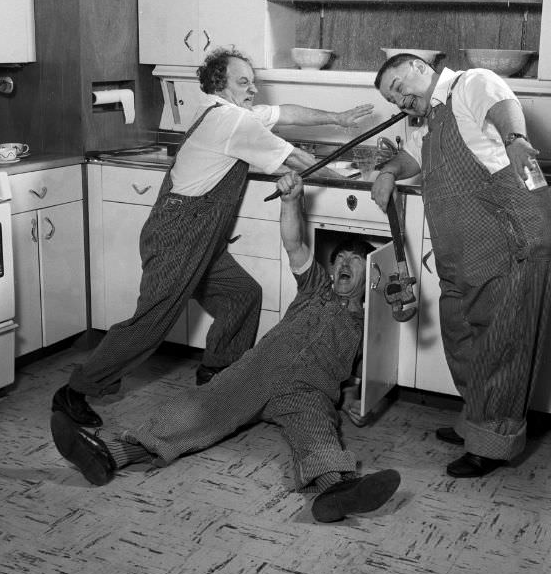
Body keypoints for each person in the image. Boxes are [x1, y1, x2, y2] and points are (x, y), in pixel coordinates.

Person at [50, 171, 401, 524]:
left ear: (370, 274)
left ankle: (334, 490)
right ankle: (107, 455)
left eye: (355, 260)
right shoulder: (316, 287)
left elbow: (367, 372)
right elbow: (295, 244)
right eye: (339, 258)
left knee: (317, 428)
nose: (343, 262)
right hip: (262, 368)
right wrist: (291, 201)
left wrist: (359, 399)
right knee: (201, 409)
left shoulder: (366, 324)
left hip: (311, 389)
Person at [52, 46, 374, 428]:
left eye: (253, 82)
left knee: (242, 296)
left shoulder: (230, 113)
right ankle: (75, 391)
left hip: (201, 236)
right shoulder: (232, 122)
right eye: (244, 82)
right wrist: (357, 186)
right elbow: (295, 159)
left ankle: (216, 377)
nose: (253, 89)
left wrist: (337, 117)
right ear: (220, 85)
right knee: (151, 323)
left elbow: (285, 113)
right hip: (179, 235)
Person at [370, 54, 551, 478]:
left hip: (509, 236)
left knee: (500, 342)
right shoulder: (434, 119)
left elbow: (502, 106)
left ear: (421, 68)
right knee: (459, 333)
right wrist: (387, 173)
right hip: (464, 250)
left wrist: (515, 139)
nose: (400, 101)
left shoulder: (471, 84)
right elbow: (412, 161)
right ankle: (477, 422)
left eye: (400, 87)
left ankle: (491, 444)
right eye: (392, 99)